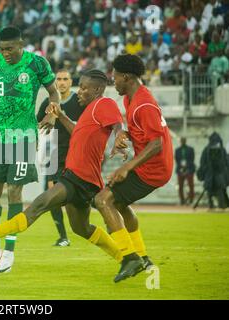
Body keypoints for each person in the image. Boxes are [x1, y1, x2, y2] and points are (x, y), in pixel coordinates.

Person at [0, 69, 130, 280]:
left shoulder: (104, 104)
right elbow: (77, 133)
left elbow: (117, 122)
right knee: (81, 228)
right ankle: (126, 258)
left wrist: (120, 134)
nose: (79, 92)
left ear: (97, 89)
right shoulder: (90, 110)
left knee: (39, 204)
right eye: (79, 87)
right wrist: (60, 115)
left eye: (83, 88)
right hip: (78, 176)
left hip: (78, 176)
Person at [0, 26, 60, 274]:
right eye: (1, 49)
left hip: (23, 136)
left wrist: (52, 114)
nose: (5, 53)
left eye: (9, 49)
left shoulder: (37, 64)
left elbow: (54, 93)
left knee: (14, 191)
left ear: (21, 44)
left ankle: (9, 251)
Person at [93, 54, 174, 282]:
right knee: (117, 202)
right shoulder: (131, 99)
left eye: (115, 76)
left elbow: (156, 143)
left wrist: (127, 166)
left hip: (153, 170)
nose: (113, 80)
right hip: (150, 165)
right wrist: (125, 135)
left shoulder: (143, 104)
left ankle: (131, 259)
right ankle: (141, 257)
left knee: (102, 200)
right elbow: (145, 133)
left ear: (126, 77)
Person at [36, 69, 85, 247]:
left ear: (71, 82)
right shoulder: (48, 103)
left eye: (65, 79)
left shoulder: (79, 102)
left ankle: (110, 215)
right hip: (56, 155)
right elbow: (37, 123)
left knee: (83, 196)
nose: (62, 82)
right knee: (50, 195)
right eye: (59, 79)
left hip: (77, 155)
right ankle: (63, 236)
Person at [197, 132, 229, 210]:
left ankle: (217, 205)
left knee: (214, 190)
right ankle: (220, 206)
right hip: (215, 174)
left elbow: (202, 162)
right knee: (217, 189)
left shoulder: (208, 149)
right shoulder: (221, 149)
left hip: (214, 174)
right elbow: (226, 162)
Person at [175, 137, 196, 205]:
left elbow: (192, 159)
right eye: (182, 141)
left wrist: (187, 167)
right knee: (180, 186)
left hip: (189, 170)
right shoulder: (177, 150)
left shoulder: (190, 149)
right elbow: (177, 160)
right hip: (180, 170)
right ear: (180, 141)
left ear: (185, 141)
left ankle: (191, 200)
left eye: (184, 140)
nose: (183, 142)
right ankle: (182, 200)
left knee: (191, 185)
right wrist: (181, 168)